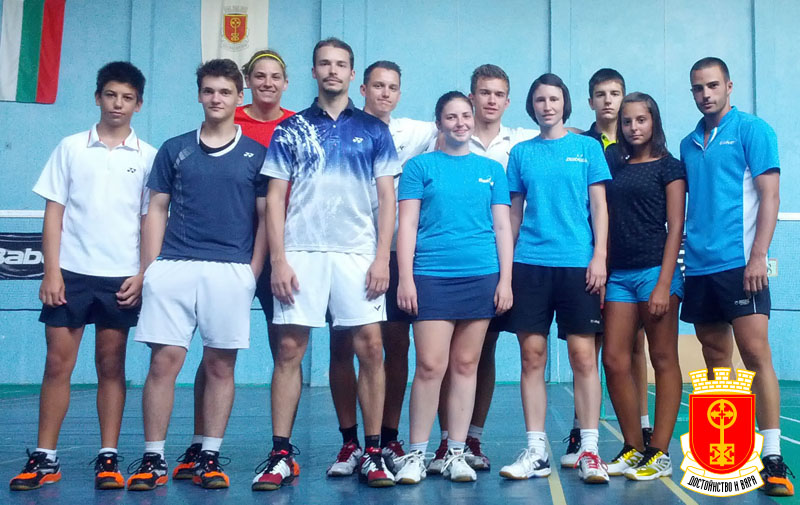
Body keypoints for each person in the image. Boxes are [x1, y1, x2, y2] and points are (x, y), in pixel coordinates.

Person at [252, 38, 400, 490]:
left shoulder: (374, 130)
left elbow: (387, 199)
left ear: (352, 74)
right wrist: (278, 260)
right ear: (313, 71)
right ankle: (280, 454)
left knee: (370, 348)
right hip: (302, 252)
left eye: (340, 64)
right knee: (289, 350)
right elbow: (274, 198)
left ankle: (371, 453)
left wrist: (381, 258)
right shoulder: (290, 129)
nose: (332, 70)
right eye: (324, 64)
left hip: (357, 254)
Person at [9, 62, 156, 492]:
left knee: (111, 366)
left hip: (120, 279)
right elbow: (53, 213)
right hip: (70, 276)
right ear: (97, 97)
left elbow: (149, 220)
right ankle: (45, 457)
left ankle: (108, 456)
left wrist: (143, 274)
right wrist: (51, 272)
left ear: (138, 105)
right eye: (110, 95)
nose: (117, 104)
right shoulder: (70, 147)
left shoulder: (147, 157)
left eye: (127, 98)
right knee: (57, 365)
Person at [126, 59, 268, 491]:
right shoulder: (175, 149)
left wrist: (252, 272)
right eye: (209, 91)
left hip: (230, 270)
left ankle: (209, 455)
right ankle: (153, 458)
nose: (216, 98)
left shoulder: (256, 155)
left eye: (225, 92)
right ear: (199, 95)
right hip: (174, 267)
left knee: (221, 366)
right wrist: (151, 269)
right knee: (163, 363)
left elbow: (266, 219)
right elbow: (156, 209)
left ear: (239, 97)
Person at [170, 49, 296, 481]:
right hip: (230, 252)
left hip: (284, 254)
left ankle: (282, 451)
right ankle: (200, 444)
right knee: (214, 353)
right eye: (259, 76)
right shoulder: (226, 119)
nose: (267, 83)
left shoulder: (298, 126)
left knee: (286, 349)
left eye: (275, 76)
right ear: (247, 85)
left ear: (285, 83)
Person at [680, 57, 793, 497]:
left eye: (712, 85)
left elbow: (770, 196)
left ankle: (773, 457)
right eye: (697, 88)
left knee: (755, 354)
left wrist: (758, 256)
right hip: (700, 267)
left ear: (729, 86)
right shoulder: (690, 143)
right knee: (715, 357)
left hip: (742, 265)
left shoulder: (753, 130)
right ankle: (728, 455)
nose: (705, 94)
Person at [391, 91, 513, 485]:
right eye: (451, 117)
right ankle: (416, 454)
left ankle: (455, 453)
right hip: (431, 276)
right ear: (439, 122)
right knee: (430, 366)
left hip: (481, 276)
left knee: (465, 366)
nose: (460, 123)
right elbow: (407, 226)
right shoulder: (419, 167)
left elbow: (502, 228)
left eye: (465, 116)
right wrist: (406, 277)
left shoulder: (491, 170)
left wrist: (505, 280)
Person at [326, 60, 438, 478]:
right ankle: (349, 442)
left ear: (399, 93)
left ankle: (387, 437)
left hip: (394, 256)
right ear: (363, 89)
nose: (385, 93)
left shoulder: (415, 132)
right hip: (348, 253)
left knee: (395, 347)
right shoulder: (342, 129)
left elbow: (468, 123)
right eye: (378, 86)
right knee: (343, 347)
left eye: (392, 87)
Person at [499, 73, 610, 484]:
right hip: (530, 265)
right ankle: (536, 451)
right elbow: (513, 213)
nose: (548, 106)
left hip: (578, 264)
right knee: (532, 357)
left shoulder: (587, 148)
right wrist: (507, 271)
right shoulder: (521, 153)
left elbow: (599, 208)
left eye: (554, 99)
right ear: (532, 106)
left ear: (565, 104)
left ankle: (589, 450)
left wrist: (599, 257)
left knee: (584, 357)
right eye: (540, 100)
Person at [428, 63, 538, 475]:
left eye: (498, 94)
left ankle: (472, 436)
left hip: (502, 263)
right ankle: (445, 440)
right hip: (453, 263)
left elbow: (564, 134)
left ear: (508, 101)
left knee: (482, 352)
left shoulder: (521, 142)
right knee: (444, 356)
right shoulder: (447, 136)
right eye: (484, 93)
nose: (491, 100)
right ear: (471, 98)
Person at [563, 69, 655, 466]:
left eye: (615, 93)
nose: (608, 100)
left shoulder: (637, 145)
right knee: (590, 347)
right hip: (591, 257)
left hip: (632, 257)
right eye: (600, 94)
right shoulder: (579, 143)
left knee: (635, 345)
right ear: (590, 101)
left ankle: (643, 425)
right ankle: (581, 432)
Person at [602, 92, 684, 480]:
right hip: (618, 275)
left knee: (663, 358)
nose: (634, 127)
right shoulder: (614, 163)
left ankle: (660, 452)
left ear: (654, 122)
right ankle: (633, 446)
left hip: (655, 272)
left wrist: (664, 283)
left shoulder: (670, 166)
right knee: (614, 359)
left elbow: (676, 227)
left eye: (641, 120)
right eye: (627, 121)